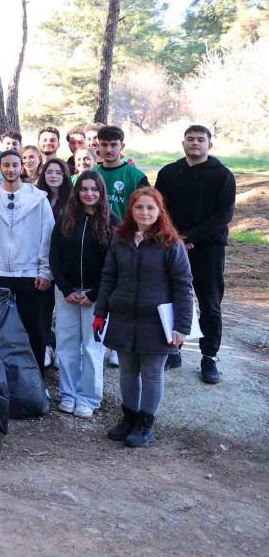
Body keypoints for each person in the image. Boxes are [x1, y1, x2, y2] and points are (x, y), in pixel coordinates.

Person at [94, 188, 194, 447]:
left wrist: (182, 326)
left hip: (156, 321)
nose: (145, 212)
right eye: (139, 207)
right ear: (131, 210)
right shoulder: (121, 239)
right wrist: (100, 312)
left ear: (160, 211)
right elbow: (108, 277)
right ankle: (128, 418)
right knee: (127, 371)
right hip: (123, 317)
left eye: (151, 208)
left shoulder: (171, 244)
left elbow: (183, 285)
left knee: (151, 374)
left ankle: (145, 424)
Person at [154, 124, 236, 383]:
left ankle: (209, 356)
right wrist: (175, 237)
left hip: (209, 248)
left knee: (209, 303)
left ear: (209, 144)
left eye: (201, 139)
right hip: (172, 244)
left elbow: (224, 215)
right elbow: (159, 208)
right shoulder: (169, 173)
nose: (195, 143)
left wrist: (191, 237)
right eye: (190, 139)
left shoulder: (222, 175)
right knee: (171, 298)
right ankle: (173, 349)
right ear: (183, 143)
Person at [0, 150, 56, 374]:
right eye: (6, 165)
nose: (10, 169)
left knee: (33, 329)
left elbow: (47, 236)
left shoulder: (38, 198)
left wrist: (45, 271)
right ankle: (0, 377)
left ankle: (35, 378)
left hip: (29, 274)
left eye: (15, 165)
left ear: (22, 168)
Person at [49, 170, 118, 418]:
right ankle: (68, 393)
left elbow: (114, 265)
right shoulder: (66, 219)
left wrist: (95, 294)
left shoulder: (112, 223)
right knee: (66, 345)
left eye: (94, 190)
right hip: (67, 294)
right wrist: (65, 288)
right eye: (84, 189)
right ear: (77, 192)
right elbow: (54, 256)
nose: (89, 194)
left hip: (96, 297)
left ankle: (88, 397)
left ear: (101, 193)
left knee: (91, 347)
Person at [96, 125, 148, 219]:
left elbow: (146, 210)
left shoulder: (137, 177)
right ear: (98, 146)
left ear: (122, 146)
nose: (108, 150)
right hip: (95, 231)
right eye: (104, 145)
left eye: (113, 145)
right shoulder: (92, 174)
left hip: (125, 232)